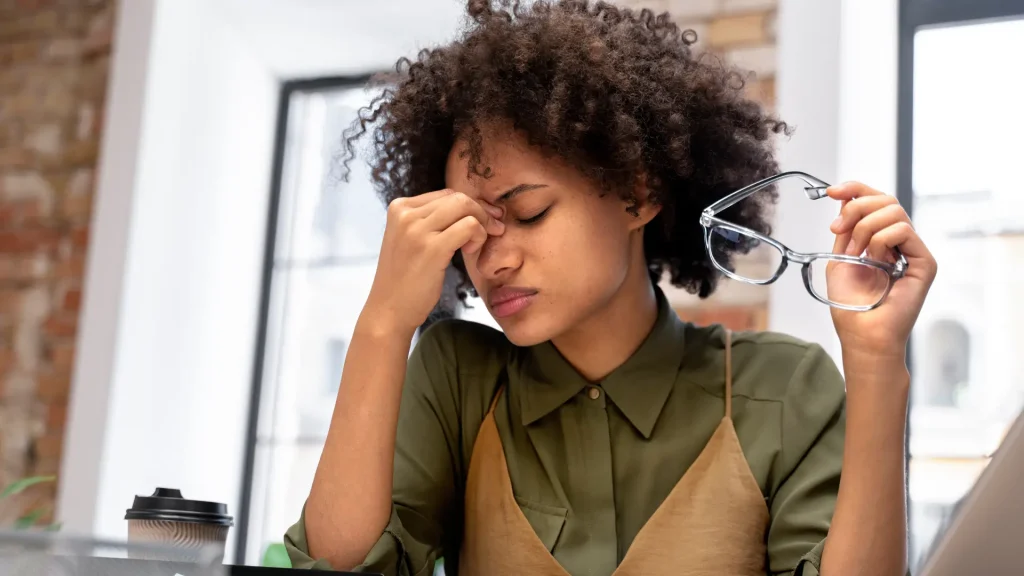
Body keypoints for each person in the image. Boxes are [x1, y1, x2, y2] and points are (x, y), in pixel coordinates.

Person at [284, 1, 937, 575]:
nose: (494, 259)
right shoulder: (459, 378)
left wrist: (878, 361)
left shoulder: (784, 392)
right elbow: (338, 566)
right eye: (469, 228)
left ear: (638, 194)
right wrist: (383, 324)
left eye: (531, 211)